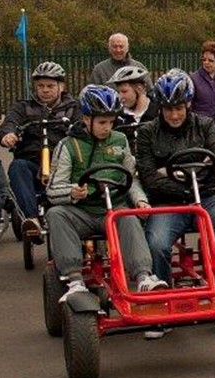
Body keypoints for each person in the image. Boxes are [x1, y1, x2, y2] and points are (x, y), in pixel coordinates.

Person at [135, 69, 215, 335]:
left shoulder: (205, 125)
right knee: (157, 243)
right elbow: (149, 178)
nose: (174, 115)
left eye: (178, 108)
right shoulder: (147, 132)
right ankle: (160, 309)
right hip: (168, 204)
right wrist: (186, 182)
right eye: (167, 109)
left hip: (207, 198)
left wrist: (173, 173)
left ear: (188, 103)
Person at [45, 85, 167, 298]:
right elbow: (52, 190)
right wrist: (72, 192)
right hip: (81, 212)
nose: (107, 127)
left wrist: (140, 200)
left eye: (111, 122)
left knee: (129, 217)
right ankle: (74, 280)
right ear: (86, 119)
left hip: (114, 209)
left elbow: (131, 179)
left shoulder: (120, 141)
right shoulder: (69, 145)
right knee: (56, 214)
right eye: (102, 122)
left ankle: (143, 277)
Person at [0, 61, 78, 241]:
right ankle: (32, 219)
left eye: (50, 86)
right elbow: (10, 123)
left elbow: (85, 126)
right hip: (33, 165)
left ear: (61, 86)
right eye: (40, 86)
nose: (45, 90)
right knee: (17, 167)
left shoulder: (74, 107)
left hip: (65, 166)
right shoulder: (24, 107)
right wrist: (8, 134)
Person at [108, 64, 157, 142]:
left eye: (124, 91)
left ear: (139, 89)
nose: (120, 96)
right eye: (118, 92)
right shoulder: (116, 116)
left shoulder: (158, 112)